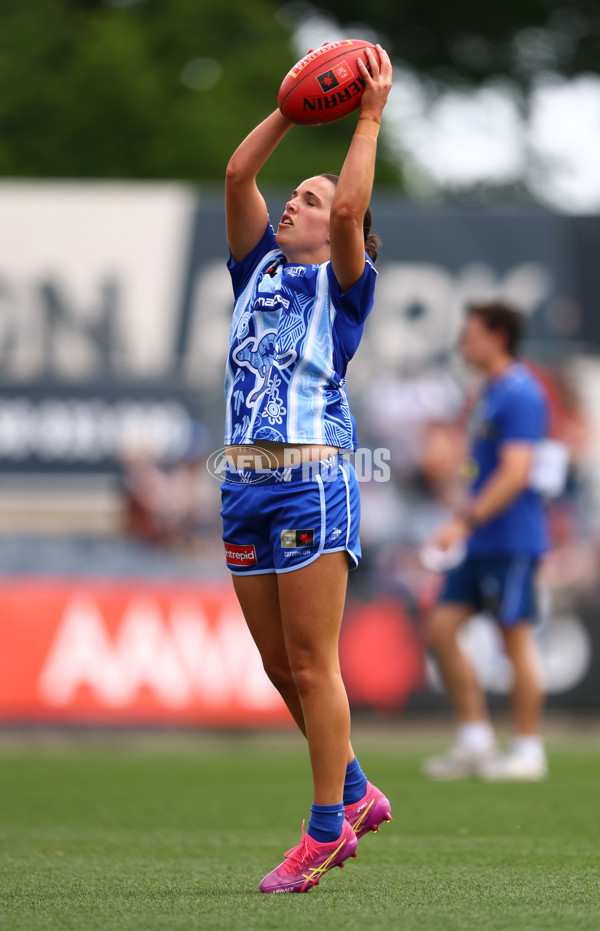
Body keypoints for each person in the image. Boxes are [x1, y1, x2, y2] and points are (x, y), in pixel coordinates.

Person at [221, 45, 393, 893]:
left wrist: (365, 116)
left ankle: (325, 831)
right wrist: (292, 108)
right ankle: (357, 790)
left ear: (341, 230)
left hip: (311, 478)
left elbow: (356, 206)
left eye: (313, 199)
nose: (296, 199)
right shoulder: (256, 268)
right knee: (279, 667)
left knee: (314, 661)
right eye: (299, 192)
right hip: (242, 482)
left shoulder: (345, 283)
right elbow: (237, 172)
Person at [422, 302, 551, 781]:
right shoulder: (489, 392)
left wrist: (463, 521)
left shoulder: (521, 392)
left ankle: (527, 750)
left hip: (510, 539)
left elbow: (517, 473)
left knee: (514, 641)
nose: (462, 342)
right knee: (440, 630)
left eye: (470, 333)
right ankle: (476, 740)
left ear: (498, 336)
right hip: (480, 540)